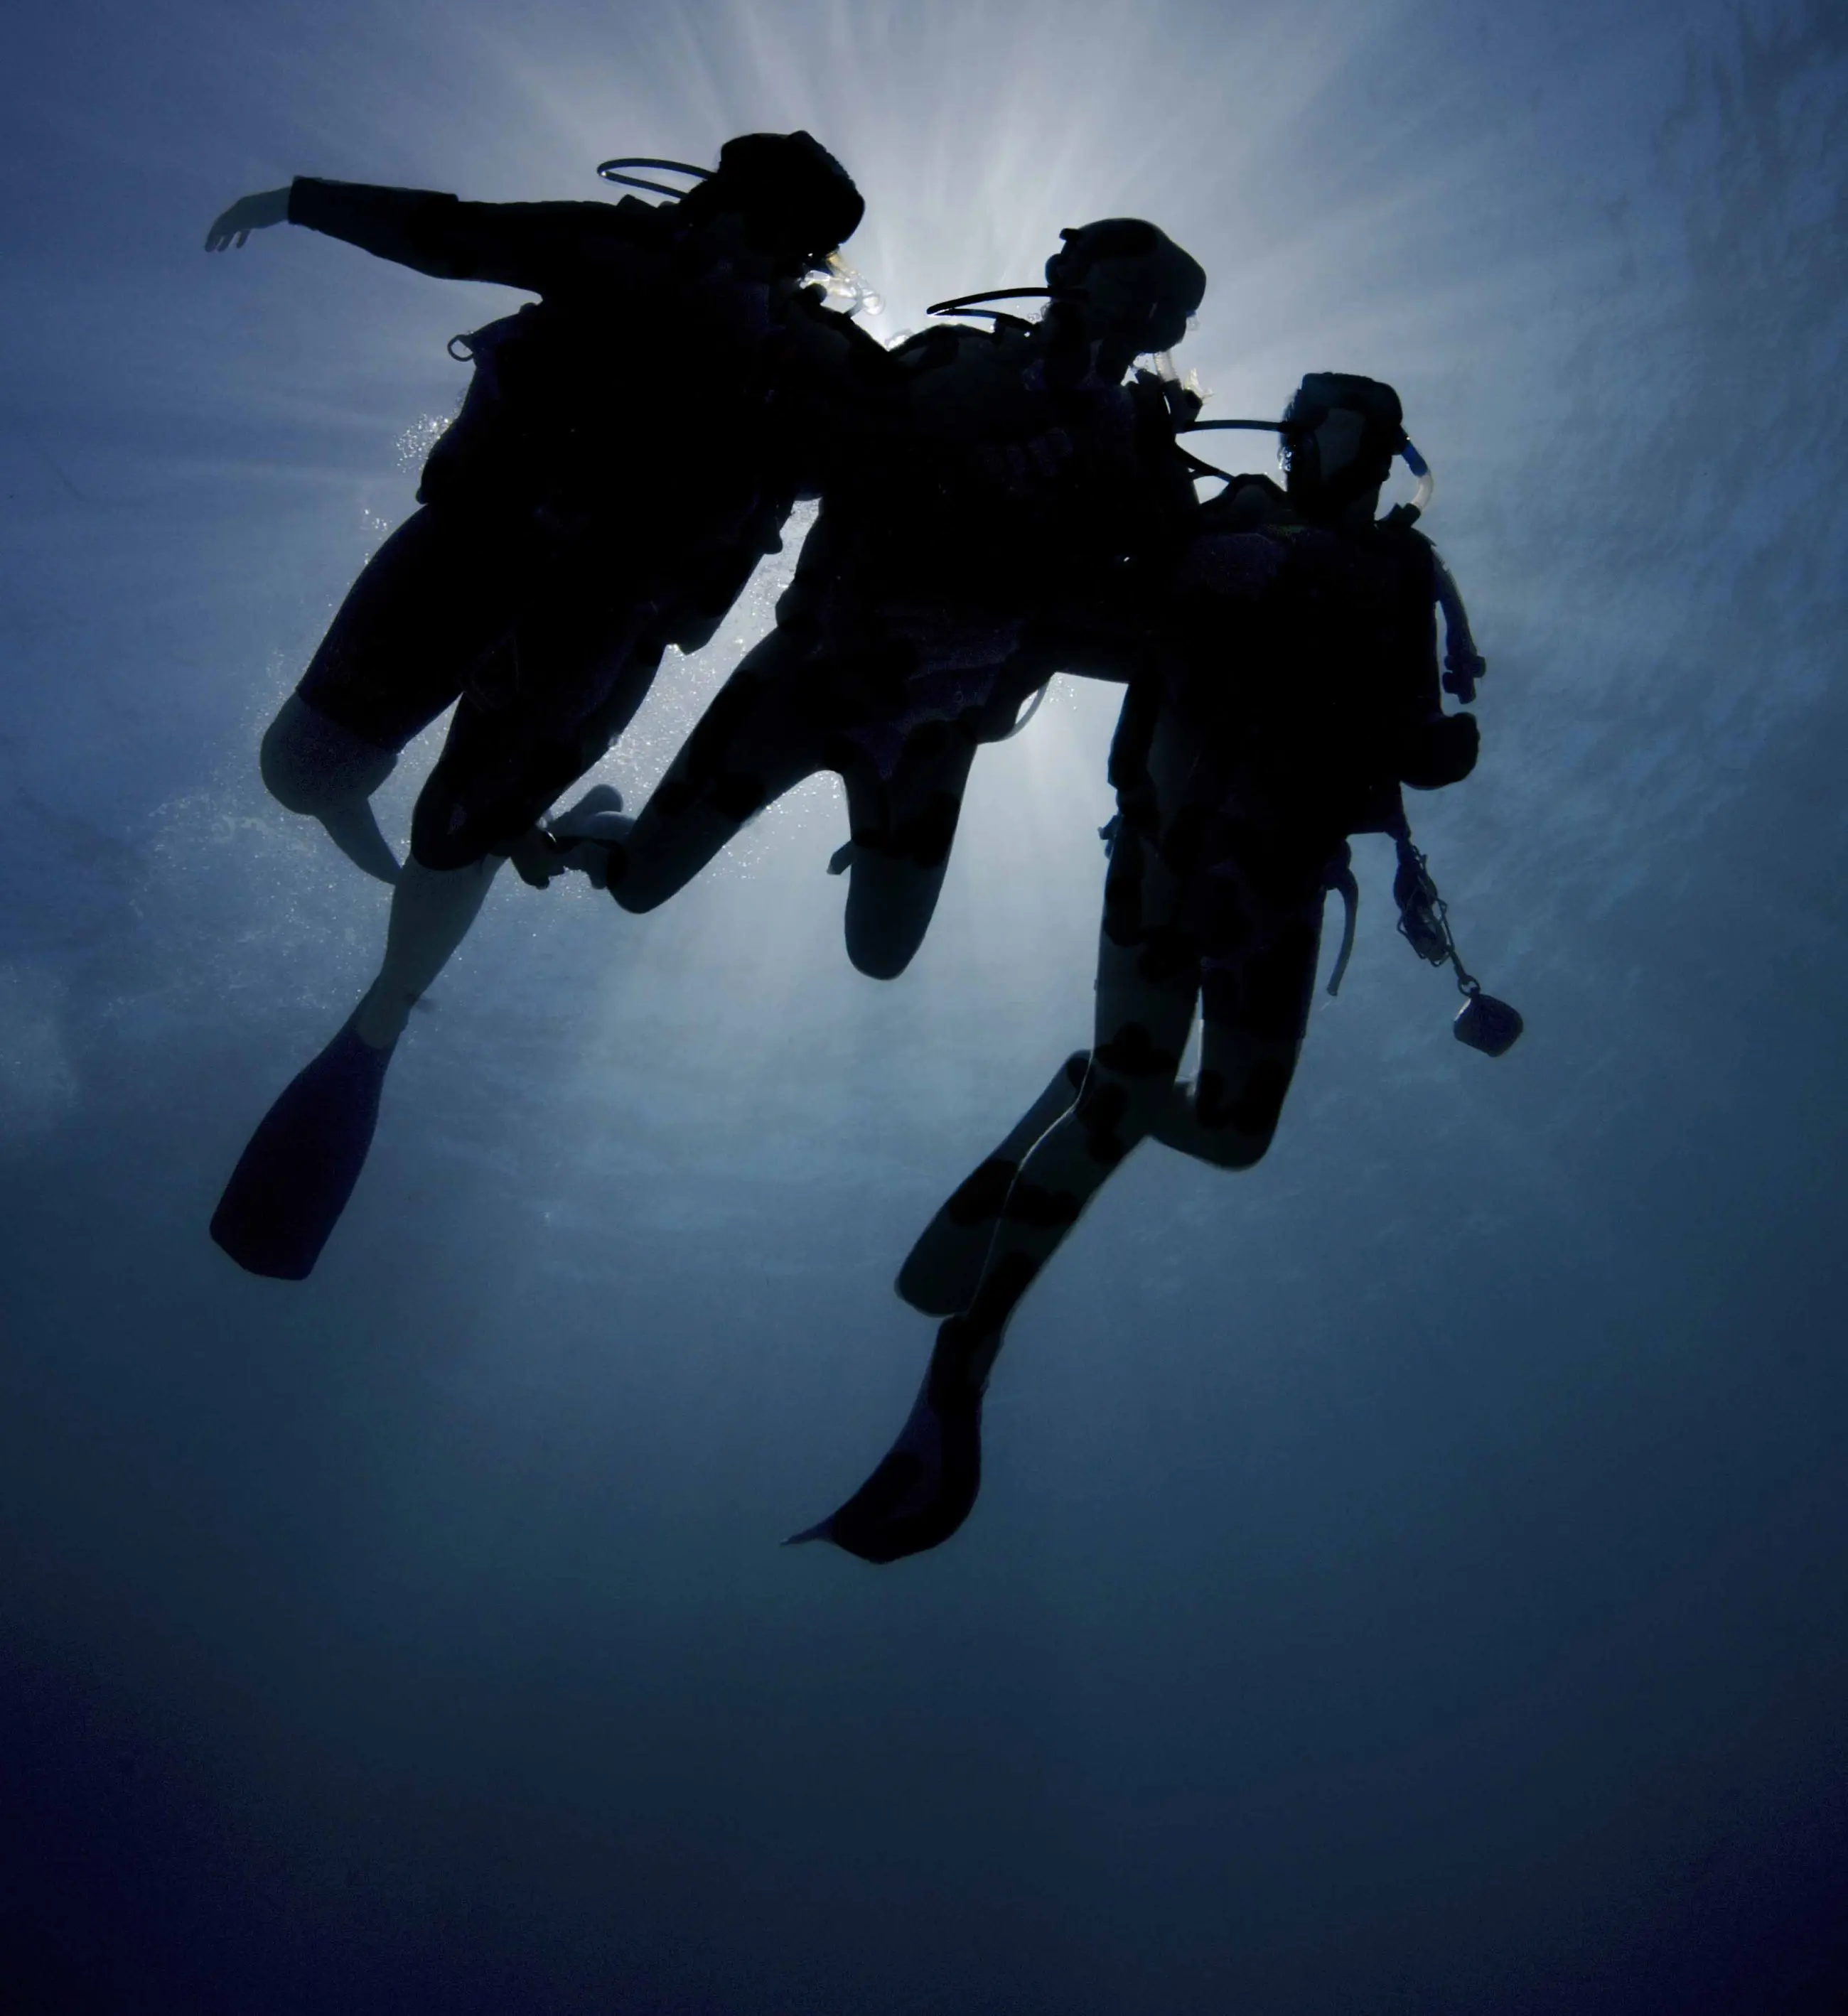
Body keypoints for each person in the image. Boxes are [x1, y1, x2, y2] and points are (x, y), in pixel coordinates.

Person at [793, 372, 1514, 1563]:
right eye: (1293, 414)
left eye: (1319, 413)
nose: (1294, 431)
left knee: (1234, 1134)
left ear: (1378, 441)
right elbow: (1082, 608)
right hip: (1174, 847)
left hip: (1278, 873)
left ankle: (1081, 1091)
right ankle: (966, 1362)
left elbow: (1398, 729)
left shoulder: (1402, 574)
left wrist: (1430, 751)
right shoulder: (1227, 512)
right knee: (1147, 1098)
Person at [204, 134, 879, 1278]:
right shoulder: (617, 248)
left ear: (800, 255)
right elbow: (460, 229)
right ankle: (500, 839)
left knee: (454, 835)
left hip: (604, 618)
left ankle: (389, 1004)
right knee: (301, 772)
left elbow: (926, 479)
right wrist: (301, 199)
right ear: (705, 199)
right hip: (472, 543)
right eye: (725, 207)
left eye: (764, 230)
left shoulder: (822, 365)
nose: (727, 236)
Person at [573, 219, 1209, 981]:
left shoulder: (1133, 439)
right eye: (1126, 293)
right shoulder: (959, 359)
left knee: (880, 952)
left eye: (1152, 311)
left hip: (940, 715)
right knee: (638, 884)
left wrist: (1148, 463)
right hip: (812, 671)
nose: (1131, 325)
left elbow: (1163, 584)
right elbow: (820, 448)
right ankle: (593, 832)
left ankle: (850, 816)